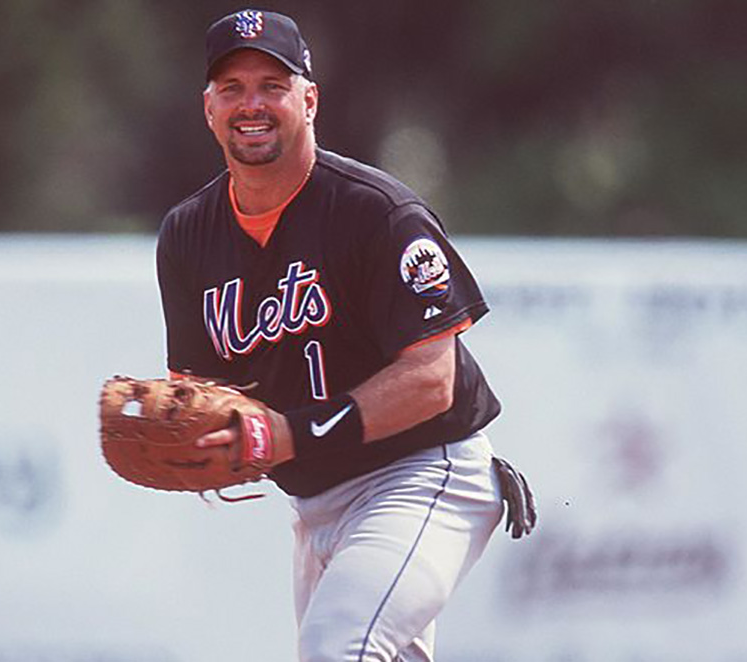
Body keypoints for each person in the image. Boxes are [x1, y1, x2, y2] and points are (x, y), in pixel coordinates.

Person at [155, 9, 535, 662]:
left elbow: (430, 378)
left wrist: (286, 434)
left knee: (342, 648)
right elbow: (202, 391)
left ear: (309, 99)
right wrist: (188, 431)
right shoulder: (188, 236)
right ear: (209, 108)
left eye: (272, 85)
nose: (252, 104)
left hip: (421, 476)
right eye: (233, 87)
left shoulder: (375, 212)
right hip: (315, 505)